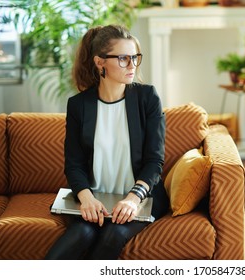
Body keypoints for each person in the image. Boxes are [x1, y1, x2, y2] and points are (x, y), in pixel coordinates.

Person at [45, 24, 169, 260]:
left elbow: (155, 160)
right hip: (95, 198)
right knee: (82, 232)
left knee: (113, 234)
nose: (132, 65)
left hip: (140, 198)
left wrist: (133, 200)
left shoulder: (147, 98)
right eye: (123, 58)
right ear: (100, 62)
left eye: (135, 57)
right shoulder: (79, 106)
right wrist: (86, 198)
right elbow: (74, 164)